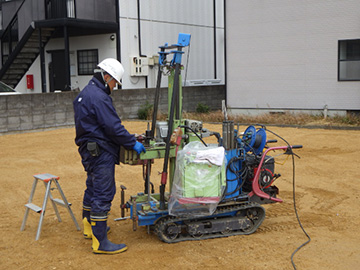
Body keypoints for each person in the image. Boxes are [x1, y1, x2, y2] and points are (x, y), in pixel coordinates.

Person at [73, 58, 146, 254]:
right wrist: (132, 143)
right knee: (104, 193)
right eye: (115, 82)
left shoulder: (86, 93)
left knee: (93, 187)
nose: (115, 87)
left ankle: (90, 228)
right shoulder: (99, 97)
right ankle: (100, 242)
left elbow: (99, 125)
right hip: (100, 151)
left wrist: (128, 137)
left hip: (88, 149)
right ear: (106, 77)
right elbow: (112, 127)